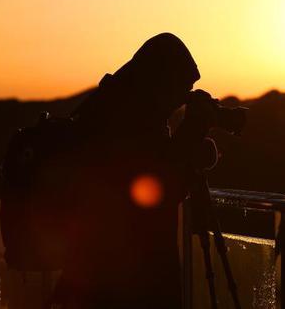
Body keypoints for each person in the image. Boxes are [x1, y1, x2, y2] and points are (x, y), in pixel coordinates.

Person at [51, 33, 217, 308]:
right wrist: (193, 130)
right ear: (164, 80)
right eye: (180, 88)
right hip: (125, 284)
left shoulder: (115, 106)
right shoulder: (129, 120)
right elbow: (155, 192)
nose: (180, 99)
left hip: (93, 278)